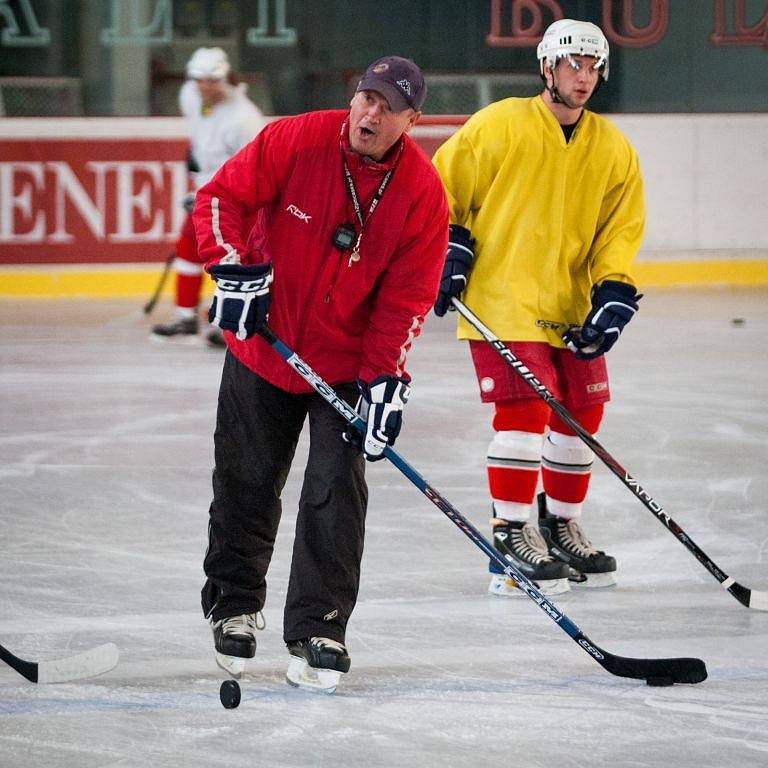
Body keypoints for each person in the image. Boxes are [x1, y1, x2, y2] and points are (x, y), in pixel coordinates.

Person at [192, 56, 448, 692]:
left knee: (335, 490)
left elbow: (408, 299)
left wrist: (385, 382)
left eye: (389, 106)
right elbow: (221, 198)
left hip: (344, 368)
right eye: (366, 97)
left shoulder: (421, 193)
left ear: (412, 120)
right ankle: (235, 605)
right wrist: (232, 269)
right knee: (245, 479)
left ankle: (319, 625)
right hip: (264, 345)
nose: (372, 112)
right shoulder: (297, 138)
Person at [432, 19, 645, 597]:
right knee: (524, 415)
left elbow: (618, 233)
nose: (584, 77)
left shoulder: (612, 147)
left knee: (583, 415)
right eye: (573, 64)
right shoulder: (499, 124)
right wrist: (448, 249)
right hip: (502, 299)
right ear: (546, 67)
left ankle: (557, 524)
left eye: (594, 66)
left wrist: (614, 293)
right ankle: (509, 533)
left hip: (569, 305)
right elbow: (439, 191)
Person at [151, 47, 266, 347]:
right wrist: (195, 183)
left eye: (211, 80)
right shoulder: (189, 96)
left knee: (232, 257)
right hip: (205, 192)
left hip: (234, 198)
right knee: (189, 247)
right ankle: (187, 316)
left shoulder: (244, 119)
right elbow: (199, 142)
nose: (204, 86)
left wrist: (213, 197)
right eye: (199, 79)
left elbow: (252, 169)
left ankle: (230, 322)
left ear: (223, 78)